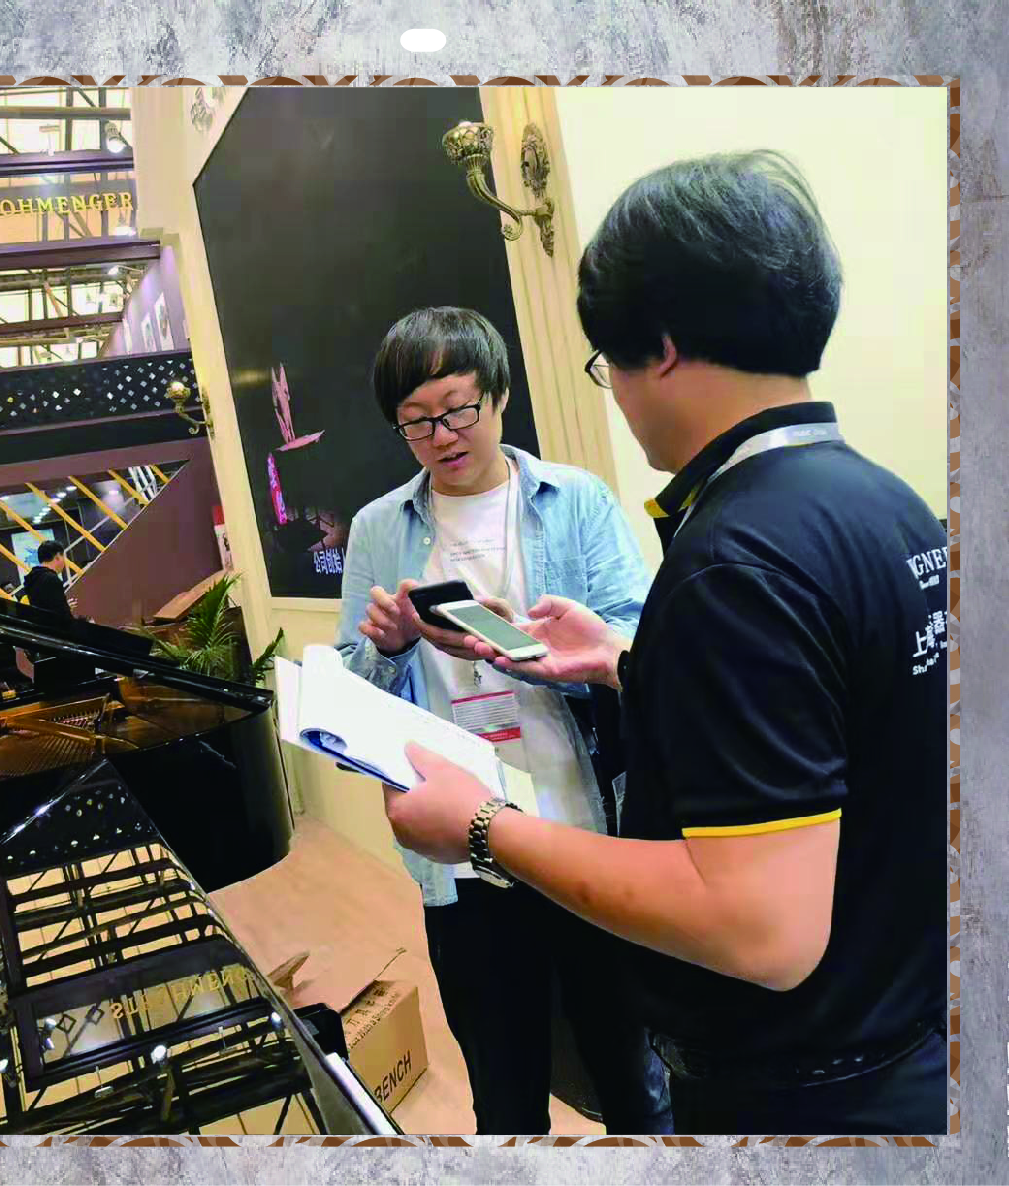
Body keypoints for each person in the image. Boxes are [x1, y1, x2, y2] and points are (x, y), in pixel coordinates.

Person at [380, 153, 948, 1135]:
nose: (614, 392)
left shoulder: (733, 558)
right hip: (910, 1033)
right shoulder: (882, 503)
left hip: (801, 1090)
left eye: (607, 363)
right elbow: (831, 718)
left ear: (665, 347)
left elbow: (759, 930)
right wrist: (623, 662)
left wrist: (480, 826)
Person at [335, 306, 671, 1135]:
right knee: (503, 1091)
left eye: (458, 409)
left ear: (499, 394)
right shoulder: (379, 528)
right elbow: (351, 694)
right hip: (462, 852)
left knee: (632, 1078)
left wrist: (548, 647)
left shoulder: (575, 500)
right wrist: (389, 648)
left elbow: (642, 643)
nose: (442, 436)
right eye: (416, 422)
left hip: (585, 833)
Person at [22, 540, 76, 622]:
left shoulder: (32, 578)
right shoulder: (52, 579)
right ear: (57, 556)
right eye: (63, 557)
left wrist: (65, 607)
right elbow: (61, 616)